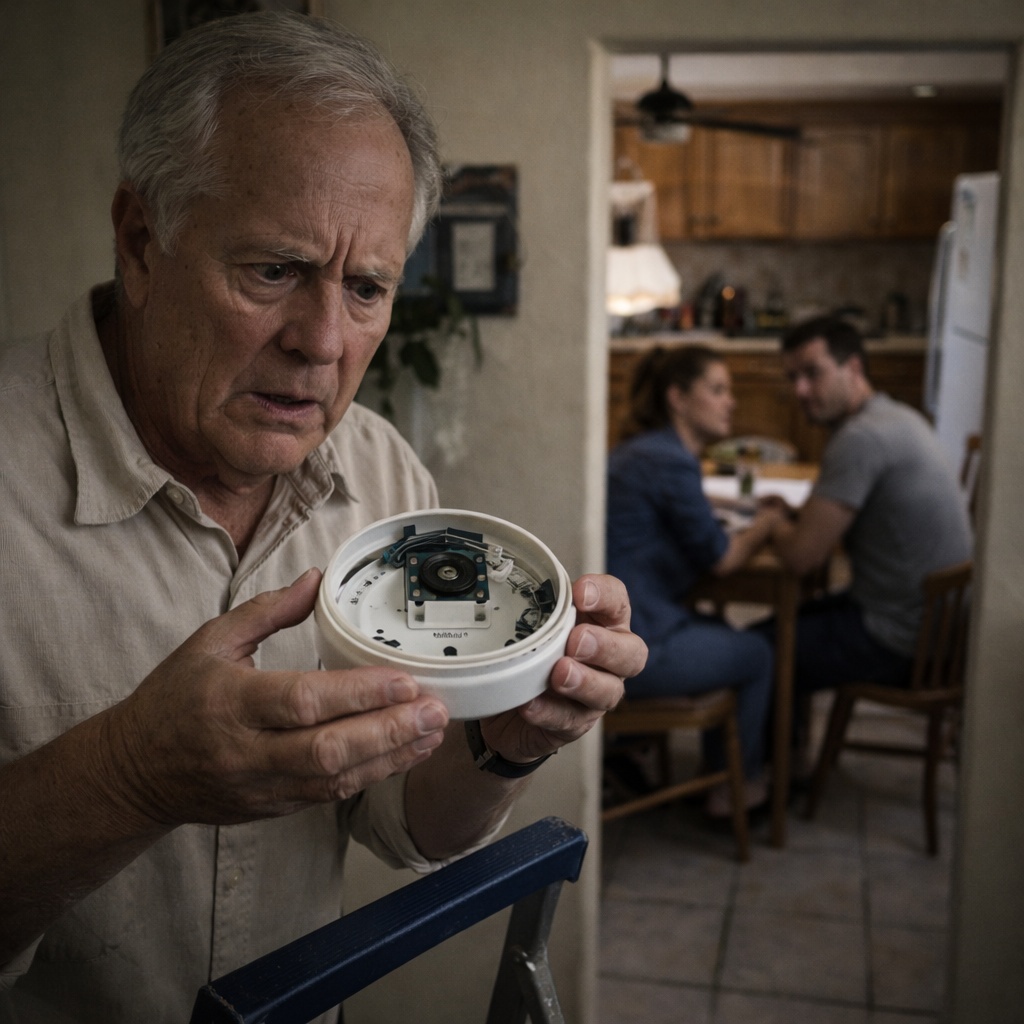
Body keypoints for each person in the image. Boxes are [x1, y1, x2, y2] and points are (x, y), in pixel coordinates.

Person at [0, 14, 647, 1021]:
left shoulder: (382, 472)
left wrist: (503, 741)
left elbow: (399, 823)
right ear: (140, 240)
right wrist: (128, 777)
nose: (324, 342)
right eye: (273, 270)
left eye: (367, 287)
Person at [605, 345, 784, 817]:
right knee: (758, 653)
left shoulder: (648, 449)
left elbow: (687, 513)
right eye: (718, 390)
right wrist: (766, 523)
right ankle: (733, 792)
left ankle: (643, 754)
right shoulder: (669, 459)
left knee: (716, 627)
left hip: (617, 627)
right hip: (635, 644)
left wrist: (736, 511)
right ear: (678, 398)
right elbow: (723, 559)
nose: (731, 402)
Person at [765, 315, 972, 703]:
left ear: (854, 368)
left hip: (902, 639)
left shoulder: (860, 438)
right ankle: (785, 739)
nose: (800, 390)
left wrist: (772, 522)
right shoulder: (895, 415)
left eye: (812, 373)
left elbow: (801, 557)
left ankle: (760, 745)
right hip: (937, 628)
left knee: (755, 652)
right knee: (784, 623)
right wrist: (794, 517)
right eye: (793, 378)